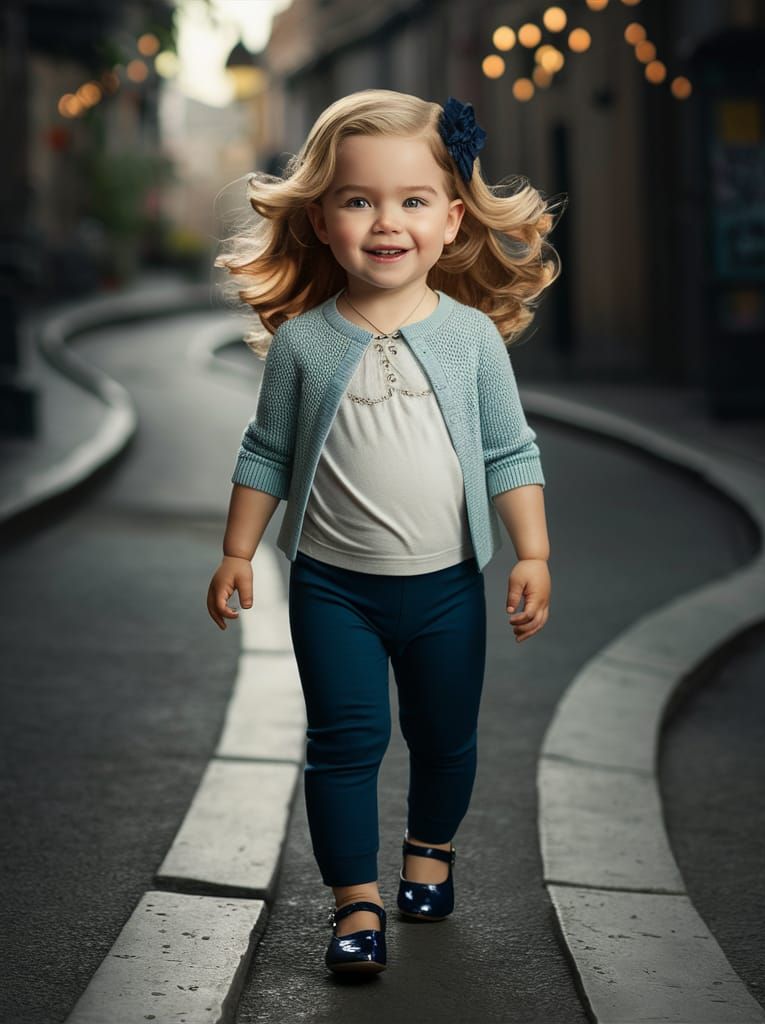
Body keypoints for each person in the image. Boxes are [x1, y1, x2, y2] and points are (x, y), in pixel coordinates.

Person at [206, 89, 564, 976]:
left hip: (446, 587)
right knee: (344, 743)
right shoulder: (304, 345)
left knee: (445, 739)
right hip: (334, 589)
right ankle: (353, 905)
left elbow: (509, 450)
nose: (385, 222)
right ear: (321, 221)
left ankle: (429, 851)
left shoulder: (473, 339)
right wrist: (237, 550)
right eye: (359, 200)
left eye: (411, 202)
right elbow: (266, 452)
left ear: (450, 220)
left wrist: (534, 552)